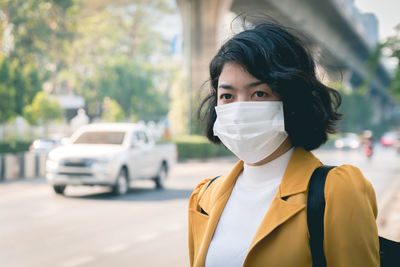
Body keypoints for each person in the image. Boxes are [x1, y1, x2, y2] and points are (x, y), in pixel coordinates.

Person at [188, 19, 380, 267]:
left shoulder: (336, 191)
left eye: (259, 93)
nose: (240, 108)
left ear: (291, 103)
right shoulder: (204, 197)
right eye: (227, 96)